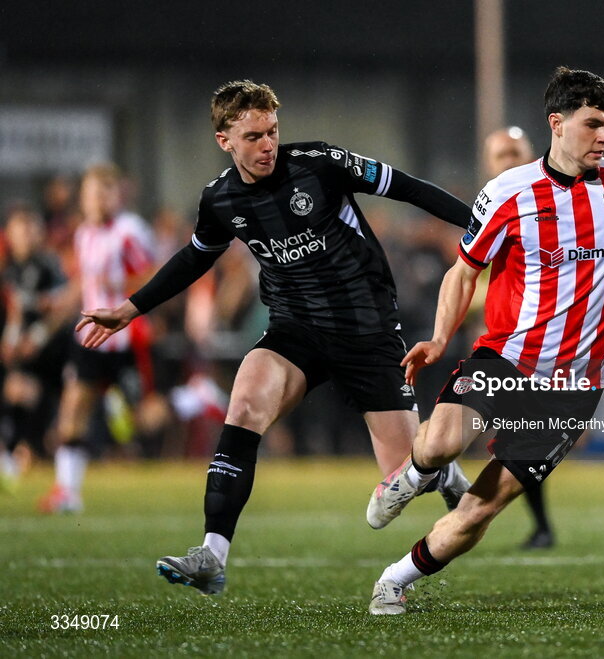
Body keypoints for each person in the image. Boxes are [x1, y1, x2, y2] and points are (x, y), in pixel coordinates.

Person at [75, 80, 473, 595]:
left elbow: (410, 188)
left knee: (402, 473)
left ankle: (442, 471)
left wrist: (483, 225)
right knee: (244, 403)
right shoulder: (220, 199)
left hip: (366, 329)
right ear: (225, 140)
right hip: (294, 327)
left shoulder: (321, 164)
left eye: (272, 132)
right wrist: (130, 309)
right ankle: (212, 555)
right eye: (254, 136)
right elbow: (195, 257)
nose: (267, 144)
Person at [365, 66, 604, 614]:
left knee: (484, 506)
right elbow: (463, 272)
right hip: (508, 357)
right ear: (557, 123)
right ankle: (413, 474)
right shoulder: (509, 192)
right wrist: (438, 337)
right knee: (438, 444)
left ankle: (395, 579)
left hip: (576, 386)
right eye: (593, 124)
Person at [37, 164, 157, 513]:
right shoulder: (84, 233)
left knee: (146, 417)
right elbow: (83, 283)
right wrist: (58, 305)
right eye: (93, 193)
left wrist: (120, 287)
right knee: (73, 407)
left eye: (106, 192)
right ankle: (68, 493)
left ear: (116, 195)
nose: (99, 200)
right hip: (90, 339)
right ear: (84, 198)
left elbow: (155, 276)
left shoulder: (129, 232)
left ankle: (192, 398)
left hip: (125, 338)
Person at [481, 126, 557, 550]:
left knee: (520, 437)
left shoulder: (554, 205)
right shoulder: (488, 206)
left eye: (516, 153)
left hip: (533, 346)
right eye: (501, 155)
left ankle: (536, 525)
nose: (509, 161)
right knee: (445, 435)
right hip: (487, 342)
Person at [0, 203, 72, 492]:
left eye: (31, 229)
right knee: (17, 389)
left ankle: (26, 449)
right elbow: (17, 308)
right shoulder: (10, 268)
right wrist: (11, 338)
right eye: (21, 229)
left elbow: (64, 305)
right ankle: (18, 451)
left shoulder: (47, 264)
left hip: (52, 350)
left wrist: (38, 337)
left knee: (27, 390)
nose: (26, 235)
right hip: (25, 348)